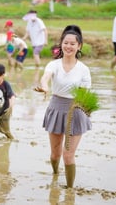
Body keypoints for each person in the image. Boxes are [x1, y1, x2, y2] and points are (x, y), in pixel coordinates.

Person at [35, 26, 92, 188]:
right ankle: (55, 174)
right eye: (66, 43)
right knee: (55, 153)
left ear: (79, 46)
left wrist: (82, 106)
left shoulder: (84, 70)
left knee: (68, 155)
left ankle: (69, 190)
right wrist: (45, 86)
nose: (68, 46)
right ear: (61, 44)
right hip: (56, 107)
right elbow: (46, 77)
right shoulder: (54, 65)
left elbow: (84, 93)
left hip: (75, 110)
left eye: (72, 43)